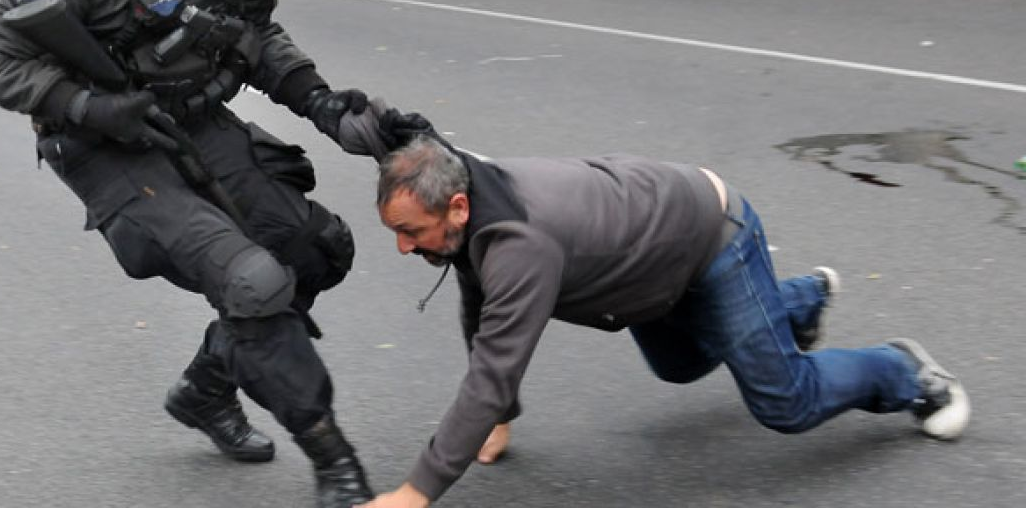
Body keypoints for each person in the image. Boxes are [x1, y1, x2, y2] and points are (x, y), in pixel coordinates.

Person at [0, 0, 393, 506]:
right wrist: (82, 103)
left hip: (194, 117)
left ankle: (206, 391)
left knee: (312, 252)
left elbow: (253, 34)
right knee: (251, 280)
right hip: (106, 146)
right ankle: (336, 464)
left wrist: (323, 103)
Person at [357, 133, 971, 508]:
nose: (404, 248)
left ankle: (904, 371)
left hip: (710, 235)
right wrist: (501, 418)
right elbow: (483, 310)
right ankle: (796, 303)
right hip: (650, 265)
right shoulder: (470, 210)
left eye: (409, 232)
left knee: (786, 400)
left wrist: (416, 492)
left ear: (457, 207)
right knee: (676, 365)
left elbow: (493, 366)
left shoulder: (519, 243)